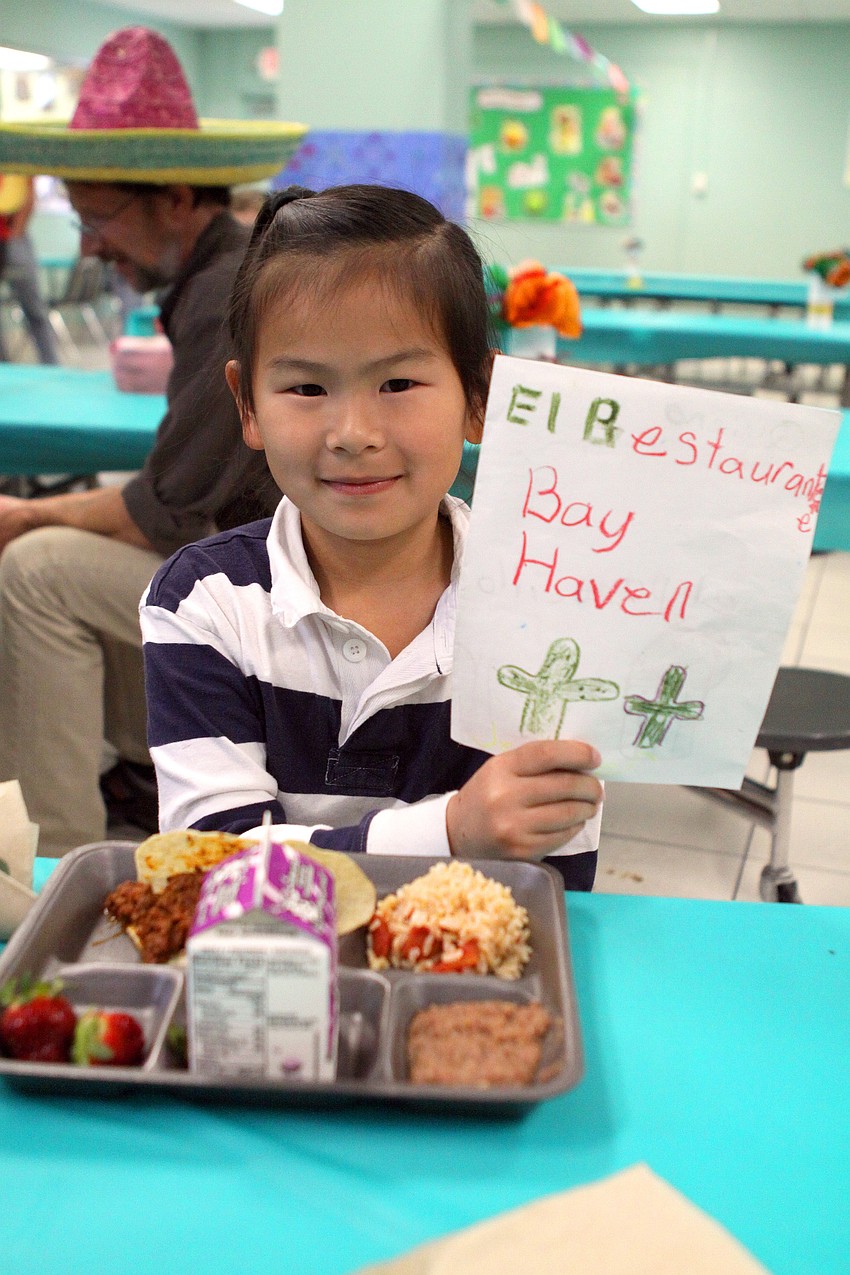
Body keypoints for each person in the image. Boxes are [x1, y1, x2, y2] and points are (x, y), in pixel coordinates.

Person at [140, 185, 603, 888]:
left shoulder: (544, 607)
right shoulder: (204, 603)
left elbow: (559, 876)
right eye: (306, 389)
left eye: (398, 383)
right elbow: (210, 867)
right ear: (247, 404)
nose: (354, 434)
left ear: (480, 396)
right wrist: (452, 832)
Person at [0, 27, 306, 854]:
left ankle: (51, 858)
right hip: (270, 567)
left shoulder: (222, 292)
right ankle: (142, 768)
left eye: (99, 220)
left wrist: (25, 516)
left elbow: (160, 512)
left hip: (281, 594)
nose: (90, 246)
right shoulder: (233, 270)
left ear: (176, 198)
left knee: (36, 572)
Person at [0, 175, 59, 365]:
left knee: (34, 307)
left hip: (15, 237)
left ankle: (51, 364)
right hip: (11, 236)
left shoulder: (17, 167)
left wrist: (15, 235)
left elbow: (28, 199)